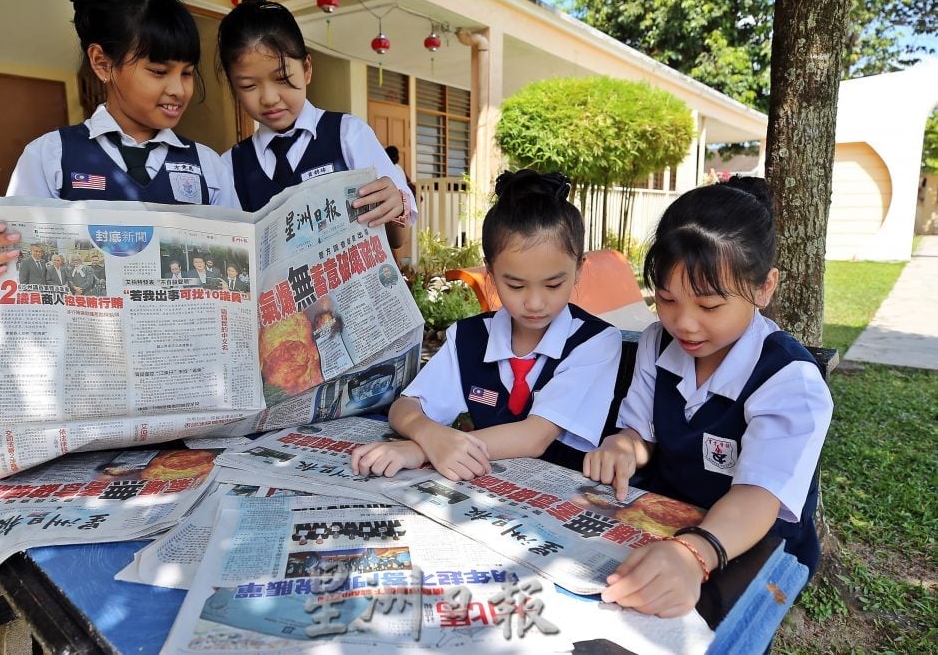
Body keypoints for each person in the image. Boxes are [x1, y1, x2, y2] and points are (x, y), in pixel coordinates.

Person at [583, 178, 833, 618]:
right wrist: (623, 446)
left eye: (710, 306)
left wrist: (695, 553)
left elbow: (758, 498)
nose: (685, 324)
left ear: (764, 287)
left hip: (748, 546)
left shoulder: (790, 380)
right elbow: (642, 433)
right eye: (666, 299)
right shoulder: (657, 343)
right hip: (670, 521)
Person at [0, 0, 239, 284]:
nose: (178, 90)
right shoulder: (50, 157)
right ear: (102, 63)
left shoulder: (208, 165)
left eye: (186, 73)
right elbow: (17, 263)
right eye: (158, 72)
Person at [351, 170, 622, 481]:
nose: (534, 303)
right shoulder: (469, 336)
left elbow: (535, 436)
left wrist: (420, 450)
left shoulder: (597, 341)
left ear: (578, 269)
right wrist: (428, 434)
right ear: (490, 273)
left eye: (553, 285)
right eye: (516, 286)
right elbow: (406, 407)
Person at [216, 0, 415, 250]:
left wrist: (395, 204)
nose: (269, 98)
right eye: (249, 86)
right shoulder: (230, 167)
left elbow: (398, 240)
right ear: (233, 87)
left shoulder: (348, 135)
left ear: (307, 68)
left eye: (282, 78)